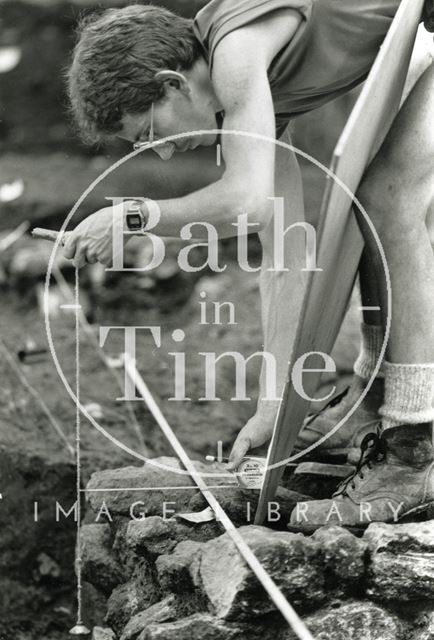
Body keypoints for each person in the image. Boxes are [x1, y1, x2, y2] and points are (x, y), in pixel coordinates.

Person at [65, 1, 434, 528]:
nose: (160, 153)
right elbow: (282, 252)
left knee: (390, 197)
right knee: (368, 206)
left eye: (148, 132)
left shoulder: (236, 54)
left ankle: (414, 444)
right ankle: (373, 402)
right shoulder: (253, 90)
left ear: (172, 84)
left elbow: (245, 202)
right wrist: (274, 406)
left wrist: (135, 216)